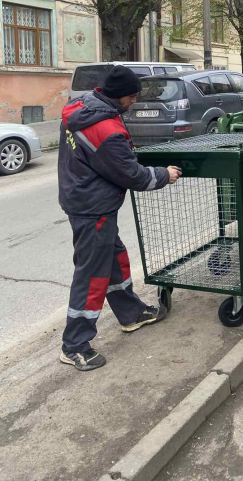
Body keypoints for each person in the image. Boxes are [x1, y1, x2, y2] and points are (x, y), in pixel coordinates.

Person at [58, 65, 182, 371]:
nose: (135, 102)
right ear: (123, 97)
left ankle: (131, 314)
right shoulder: (108, 131)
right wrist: (164, 174)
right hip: (94, 208)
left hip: (82, 198)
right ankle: (74, 345)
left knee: (114, 260)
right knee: (92, 276)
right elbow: (132, 175)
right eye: (133, 97)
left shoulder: (80, 106)